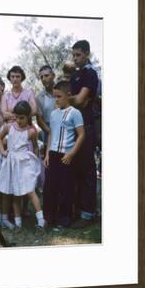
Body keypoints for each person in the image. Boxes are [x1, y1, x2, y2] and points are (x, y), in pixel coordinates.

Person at [0, 101, 45, 229]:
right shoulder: (8, 127)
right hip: (11, 161)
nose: (18, 120)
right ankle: (18, 223)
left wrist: (35, 163)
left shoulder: (31, 131)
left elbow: (35, 147)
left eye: (22, 117)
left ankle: (41, 220)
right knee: (14, 191)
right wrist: (2, 151)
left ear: (28, 116)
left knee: (30, 190)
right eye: (16, 117)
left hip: (24, 163)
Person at [43, 80, 85, 228]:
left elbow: (81, 135)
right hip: (53, 154)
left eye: (59, 96)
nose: (56, 99)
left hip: (67, 155)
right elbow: (50, 134)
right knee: (49, 187)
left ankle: (64, 218)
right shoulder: (54, 114)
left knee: (66, 188)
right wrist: (47, 154)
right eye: (55, 96)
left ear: (68, 95)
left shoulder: (75, 113)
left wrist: (71, 154)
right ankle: (49, 217)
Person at [68, 40, 99, 228]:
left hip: (87, 127)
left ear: (87, 53)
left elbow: (79, 100)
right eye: (73, 55)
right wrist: (74, 99)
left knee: (87, 170)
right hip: (75, 127)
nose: (75, 59)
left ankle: (88, 213)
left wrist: (72, 99)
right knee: (76, 170)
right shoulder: (76, 75)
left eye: (78, 55)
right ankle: (79, 210)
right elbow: (75, 100)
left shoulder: (90, 73)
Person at [36, 65, 56, 145]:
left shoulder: (62, 90)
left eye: (46, 75)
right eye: (41, 77)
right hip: (48, 134)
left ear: (53, 75)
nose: (44, 79)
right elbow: (40, 120)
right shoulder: (39, 97)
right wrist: (50, 132)